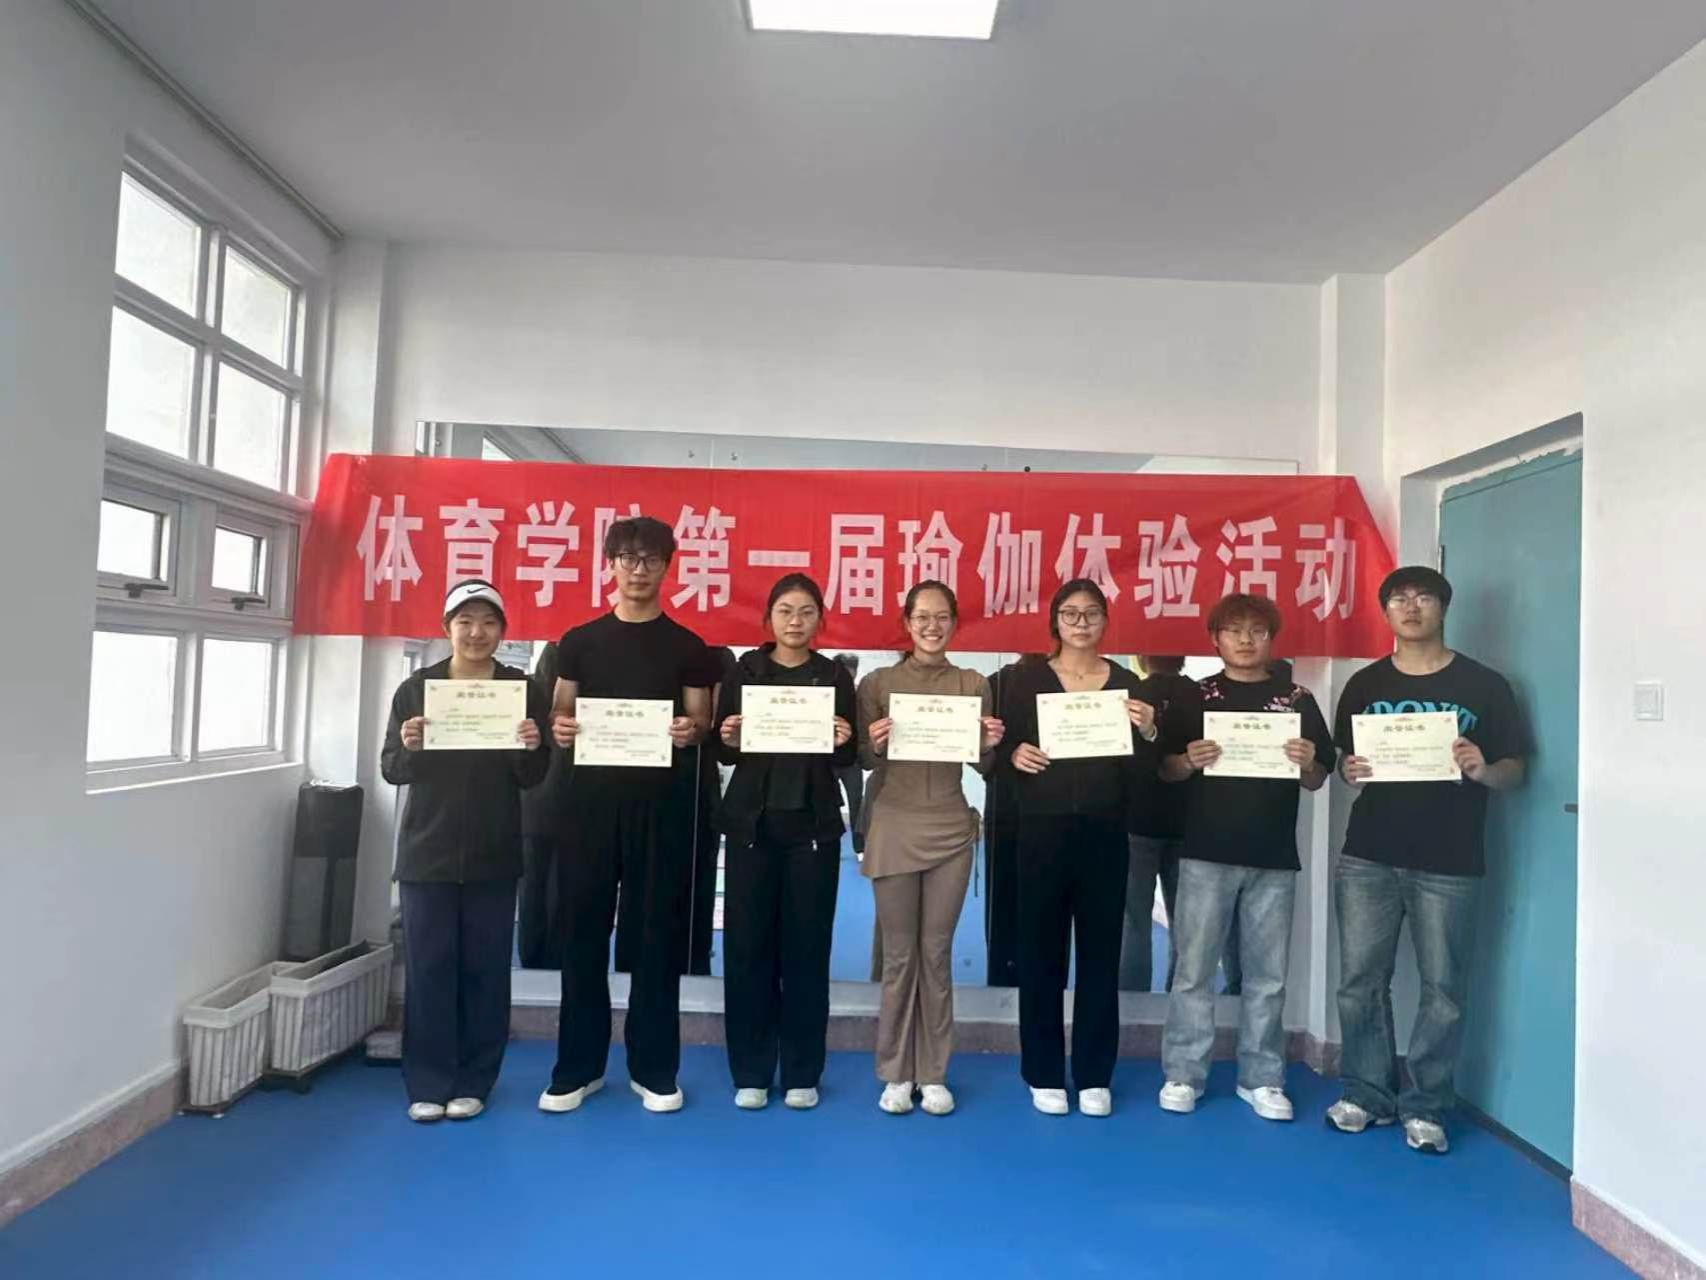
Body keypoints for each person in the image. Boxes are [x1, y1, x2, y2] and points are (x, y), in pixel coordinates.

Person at [1327, 565, 1527, 1155]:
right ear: (1385, 611)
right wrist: (1347, 769)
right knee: (1360, 983)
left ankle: (1427, 1106)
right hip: (1368, 854)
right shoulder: (1364, 684)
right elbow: (1346, 763)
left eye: (1423, 597)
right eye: (1398, 598)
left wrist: (1484, 770)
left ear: (1443, 607)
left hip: (1450, 858)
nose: (1411, 607)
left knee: (1444, 989)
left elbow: (1516, 770)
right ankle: (1367, 1094)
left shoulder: (1486, 685)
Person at [539, 516, 719, 1115]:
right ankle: (578, 1068)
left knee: (655, 938)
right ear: (610, 564)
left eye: (651, 560)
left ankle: (654, 1068)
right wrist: (561, 728)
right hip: (587, 809)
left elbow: (701, 723)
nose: (639, 571)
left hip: (660, 810)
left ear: (668, 567)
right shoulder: (578, 641)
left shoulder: (689, 647)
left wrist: (691, 730)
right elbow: (560, 715)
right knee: (582, 935)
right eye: (627, 559)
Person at [1155, 595, 1335, 1121]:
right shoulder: (1195, 697)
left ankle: (1262, 1078)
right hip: (1205, 852)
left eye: (1257, 630)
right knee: (1193, 970)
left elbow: (1318, 778)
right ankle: (1183, 1073)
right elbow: (1165, 769)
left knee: (1267, 976)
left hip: (1273, 855)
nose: (1245, 639)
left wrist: (1308, 761)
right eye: (1234, 630)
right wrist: (1187, 760)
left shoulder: (1297, 699)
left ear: (1271, 638)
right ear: (1215, 639)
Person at [380, 580, 550, 1122]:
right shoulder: (417, 689)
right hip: (426, 851)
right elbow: (392, 768)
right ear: (446, 628)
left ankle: (476, 1080)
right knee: (429, 970)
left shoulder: (521, 690)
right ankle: (428, 1082)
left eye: (489, 622)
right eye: (465, 621)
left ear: (503, 631)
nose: (477, 633)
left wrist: (530, 746)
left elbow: (534, 775)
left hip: (494, 851)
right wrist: (411, 746)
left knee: (486, 971)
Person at [1002, 579, 1159, 1117]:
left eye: (1091, 613)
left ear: (1105, 621)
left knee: (1100, 956)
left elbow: (1144, 772)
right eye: (1070, 613)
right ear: (1055, 621)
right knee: (1040, 954)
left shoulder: (1126, 684)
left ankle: (1094, 1073)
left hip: (1105, 833)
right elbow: (1003, 747)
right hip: (1040, 832)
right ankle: (1043, 1071)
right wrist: (1013, 754)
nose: (1081, 622)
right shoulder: (1026, 680)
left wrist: (1150, 731)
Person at [857, 580, 1005, 1117]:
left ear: (955, 623)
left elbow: (984, 766)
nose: (931, 626)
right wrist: (873, 744)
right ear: (907, 622)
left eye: (942, 617)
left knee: (936, 954)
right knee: (900, 956)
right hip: (894, 825)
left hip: (950, 828)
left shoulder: (972, 684)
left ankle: (934, 1072)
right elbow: (861, 758)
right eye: (921, 616)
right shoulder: (878, 683)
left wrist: (988, 745)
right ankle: (896, 1071)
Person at [715, 575, 857, 1110]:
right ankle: (751, 1070)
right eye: (785, 611)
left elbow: (847, 758)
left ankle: (801, 1071)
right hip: (752, 828)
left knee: (807, 951)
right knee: (747, 949)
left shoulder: (834, 675)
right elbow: (726, 750)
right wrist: (728, 737)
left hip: (812, 830)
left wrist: (843, 739)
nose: (795, 621)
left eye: (806, 611)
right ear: (769, 618)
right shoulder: (744, 670)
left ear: (820, 619)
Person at [1119, 655, 1195, 992]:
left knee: (1133, 918)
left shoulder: (1128, 695)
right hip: (1190, 820)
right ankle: (1179, 996)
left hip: (1137, 818)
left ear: (1141, 657)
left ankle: (1131, 997)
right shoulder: (1202, 694)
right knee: (1186, 922)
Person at [517, 641, 570, 970]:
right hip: (547, 797)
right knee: (540, 890)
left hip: (549, 802)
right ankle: (541, 965)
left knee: (541, 890)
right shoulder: (559, 650)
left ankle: (539, 964)